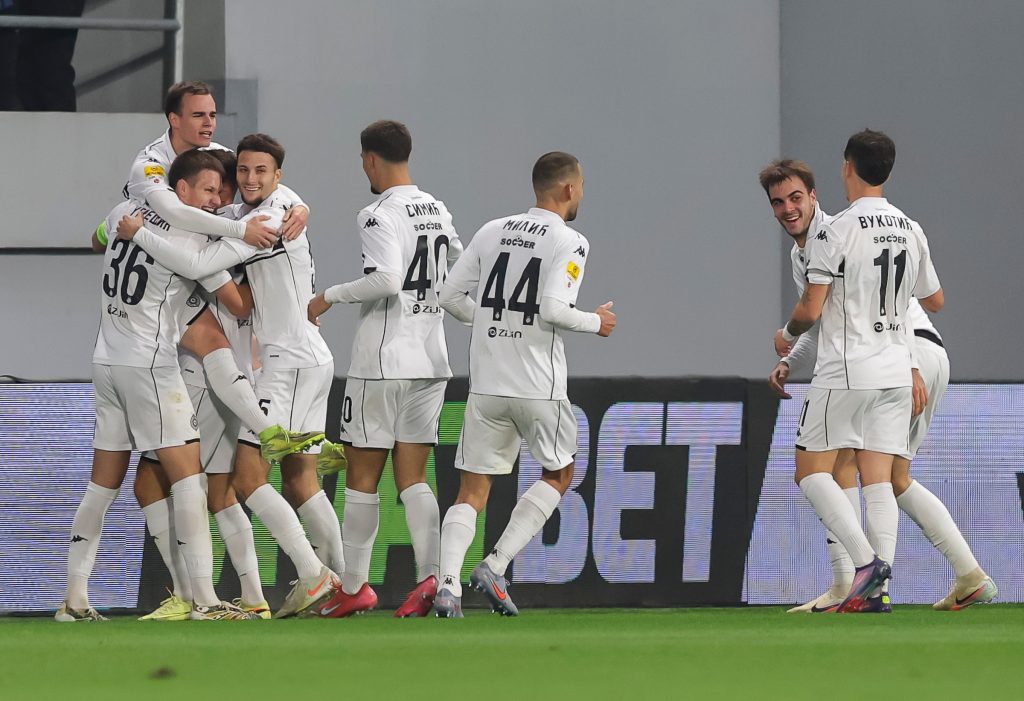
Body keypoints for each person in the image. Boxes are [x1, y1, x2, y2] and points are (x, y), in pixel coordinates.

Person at [117, 134, 341, 618]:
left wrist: (140, 235)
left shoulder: (225, 231)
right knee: (238, 489)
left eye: (222, 187)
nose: (220, 195)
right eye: (216, 185)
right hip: (265, 366)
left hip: (232, 372)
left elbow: (233, 299)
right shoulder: (250, 216)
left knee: (193, 483)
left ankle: (204, 594)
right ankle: (269, 595)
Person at [762, 160, 996, 612]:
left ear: (814, 196)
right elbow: (828, 320)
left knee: (837, 466)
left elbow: (871, 312)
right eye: (778, 202)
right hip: (908, 355)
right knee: (886, 476)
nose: (788, 209)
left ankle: (855, 582)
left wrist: (909, 366)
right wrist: (790, 361)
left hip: (899, 355)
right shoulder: (812, 249)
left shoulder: (836, 234)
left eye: (796, 198)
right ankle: (960, 575)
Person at [59, 152, 259, 621]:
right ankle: (205, 601)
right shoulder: (190, 236)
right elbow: (226, 289)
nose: (214, 201)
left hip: (106, 361)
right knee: (188, 478)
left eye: (219, 192)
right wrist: (252, 233)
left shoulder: (122, 210)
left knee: (102, 485)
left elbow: (97, 238)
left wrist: (121, 231)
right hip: (150, 365)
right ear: (179, 190)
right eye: (207, 190)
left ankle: (74, 600)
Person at [432, 152, 616, 617]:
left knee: (471, 490)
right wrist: (596, 321)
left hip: (487, 383)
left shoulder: (492, 230)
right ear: (569, 189)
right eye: (581, 186)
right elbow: (553, 308)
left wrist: (489, 322)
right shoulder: (570, 240)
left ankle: (447, 587)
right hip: (537, 384)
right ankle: (495, 565)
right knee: (559, 473)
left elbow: (449, 295)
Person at [772, 129, 943, 612]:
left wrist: (786, 335)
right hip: (895, 371)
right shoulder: (910, 227)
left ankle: (867, 566)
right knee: (878, 479)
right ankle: (872, 593)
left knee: (810, 472)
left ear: (846, 167)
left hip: (848, 370)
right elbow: (934, 299)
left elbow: (812, 309)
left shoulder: (836, 230)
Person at [307, 120, 461, 618]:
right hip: (431, 361)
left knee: (362, 476)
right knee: (414, 476)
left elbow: (388, 280)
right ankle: (430, 578)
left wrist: (328, 296)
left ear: (370, 159)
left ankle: (355, 586)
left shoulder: (376, 214)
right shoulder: (437, 208)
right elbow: (457, 275)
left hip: (382, 361)